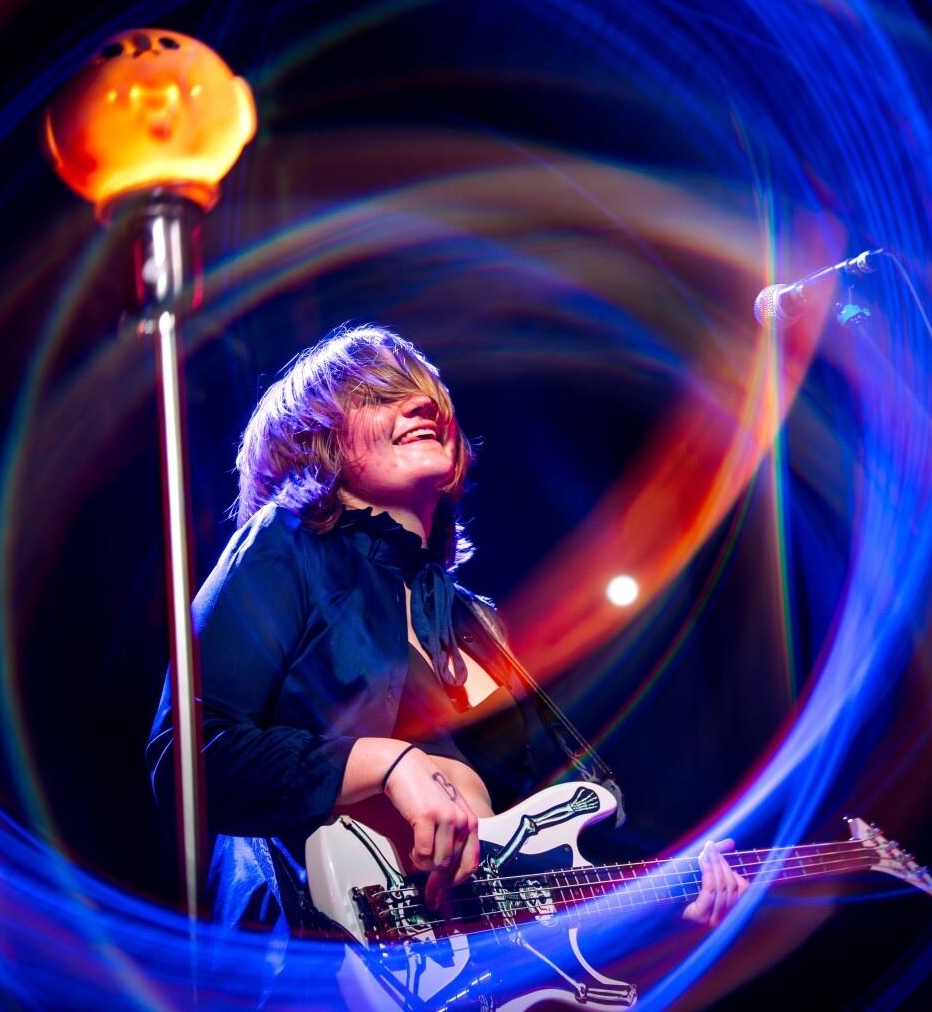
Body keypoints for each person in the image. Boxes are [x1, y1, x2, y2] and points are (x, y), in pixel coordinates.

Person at [145, 324, 747, 974]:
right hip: (319, 963)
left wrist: (662, 907)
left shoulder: (475, 622)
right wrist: (387, 762)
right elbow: (186, 757)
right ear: (316, 438)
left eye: (428, 394)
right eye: (379, 395)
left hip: (489, 973)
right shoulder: (285, 545)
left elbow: (538, 859)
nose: (422, 404)